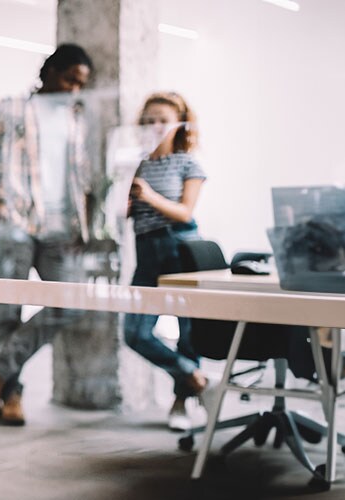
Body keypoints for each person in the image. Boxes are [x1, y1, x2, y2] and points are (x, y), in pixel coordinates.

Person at [0, 43, 108, 426]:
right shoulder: (8, 108)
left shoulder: (75, 119)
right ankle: (11, 397)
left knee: (74, 298)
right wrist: (0, 201)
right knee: (8, 311)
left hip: (60, 229)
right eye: (68, 79)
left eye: (81, 84)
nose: (73, 89)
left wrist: (82, 224)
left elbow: (81, 177)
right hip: (15, 224)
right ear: (48, 73)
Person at [122, 92, 212, 430]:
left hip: (181, 248)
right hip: (146, 252)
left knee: (189, 333)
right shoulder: (135, 164)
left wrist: (148, 196)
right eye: (148, 120)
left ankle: (181, 404)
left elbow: (185, 211)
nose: (154, 127)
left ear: (180, 124)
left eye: (162, 120)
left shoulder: (189, 163)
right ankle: (194, 376)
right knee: (134, 332)